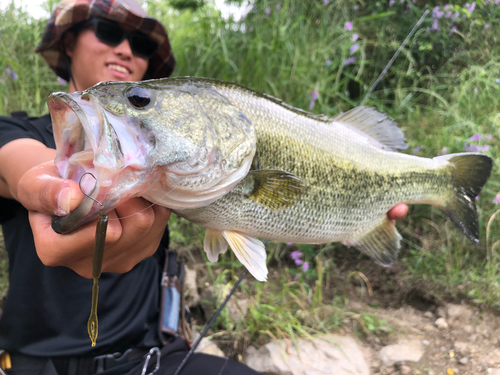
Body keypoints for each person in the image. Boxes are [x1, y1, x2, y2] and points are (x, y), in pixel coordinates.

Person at [0, 0, 409, 374]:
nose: (126, 49)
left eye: (142, 44)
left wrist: (363, 211)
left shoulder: (164, 165)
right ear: (68, 42)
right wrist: (39, 184)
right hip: (39, 366)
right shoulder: (15, 130)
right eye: (108, 33)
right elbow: (16, 164)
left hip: (154, 358)